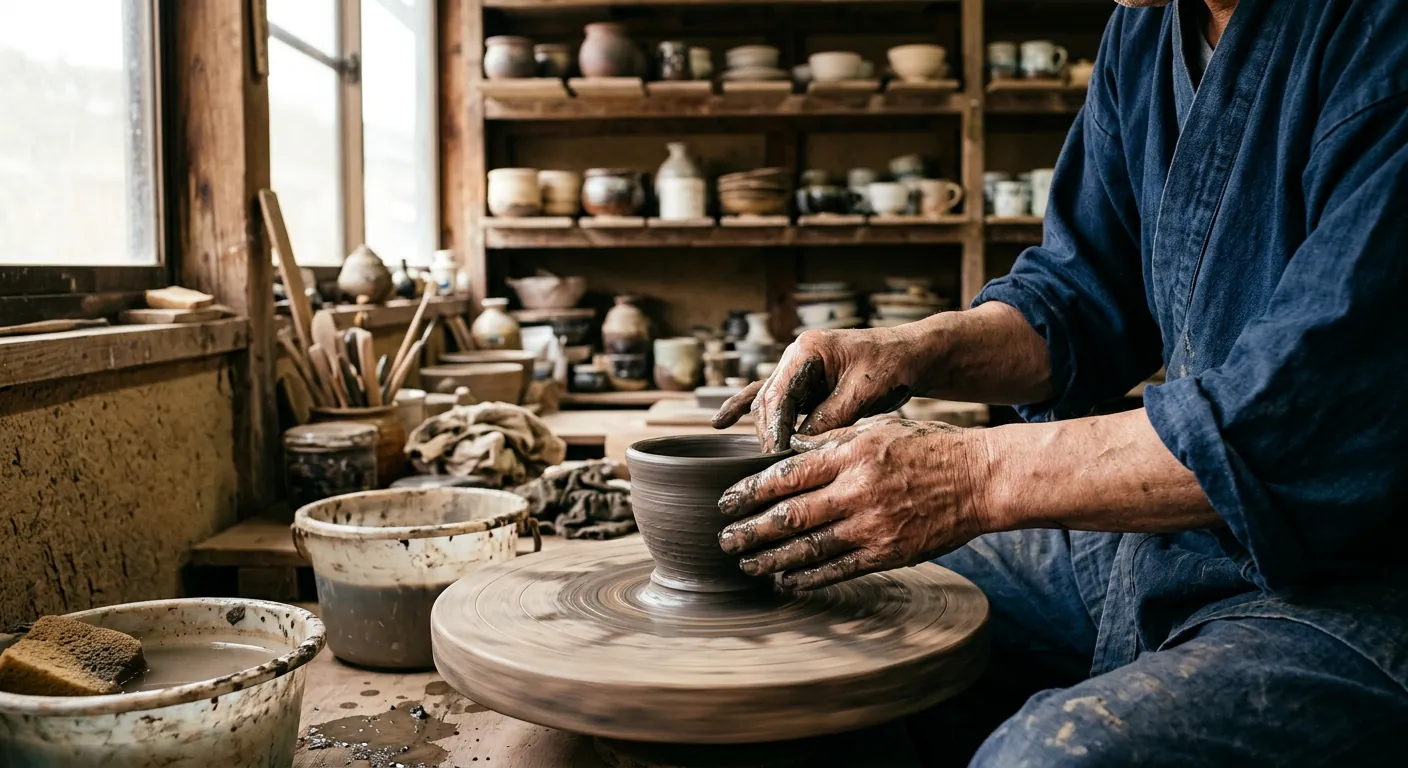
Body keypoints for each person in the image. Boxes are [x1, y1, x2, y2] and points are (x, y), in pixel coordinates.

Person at [712, 0, 1408, 762]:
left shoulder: (1381, 37)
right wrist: (911, 348)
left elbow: (1301, 424)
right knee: (831, 605)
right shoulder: (1146, 29)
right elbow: (1084, 299)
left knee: (1044, 756)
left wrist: (968, 476)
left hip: (1358, 581)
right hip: (1182, 539)